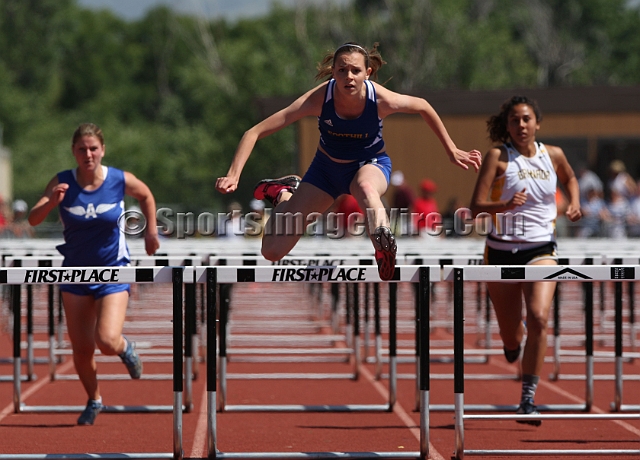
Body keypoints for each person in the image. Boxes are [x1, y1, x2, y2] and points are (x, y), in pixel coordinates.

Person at [215, 42, 482, 280]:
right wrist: (233, 173)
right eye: (342, 70)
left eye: (355, 70)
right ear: (333, 73)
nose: (348, 77)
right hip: (326, 171)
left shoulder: (381, 99)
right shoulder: (320, 98)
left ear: (367, 73)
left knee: (365, 189)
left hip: (370, 164)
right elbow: (255, 131)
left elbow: (423, 105)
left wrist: (451, 149)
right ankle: (285, 196)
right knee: (272, 251)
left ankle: (382, 244)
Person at [28, 123, 160, 426]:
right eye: (81, 149)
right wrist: (51, 202)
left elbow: (146, 195)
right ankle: (94, 399)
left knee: (106, 339)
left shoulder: (117, 179)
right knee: (82, 348)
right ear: (74, 152)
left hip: (112, 269)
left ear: (102, 150)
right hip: (74, 272)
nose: (88, 154)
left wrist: (151, 232)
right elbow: (34, 219)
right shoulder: (62, 182)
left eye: (93, 148)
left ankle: (125, 348)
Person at [469, 95, 581, 425]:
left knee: (538, 317)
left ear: (537, 123)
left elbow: (570, 177)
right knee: (510, 334)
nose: (521, 125)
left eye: (526, 119)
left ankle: (528, 399)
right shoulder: (498, 156)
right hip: (500, 250)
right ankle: (511, 343)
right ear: (507, 126)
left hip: (541, 249)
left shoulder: (554, 155)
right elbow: (474, 207)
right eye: (515, 120)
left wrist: (573, 202)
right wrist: (502, 206)